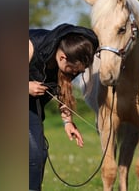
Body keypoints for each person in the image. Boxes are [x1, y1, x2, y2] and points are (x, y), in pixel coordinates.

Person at [29, 23, 98, 191]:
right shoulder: (30, 47)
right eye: (73, 70)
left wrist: (68, 122)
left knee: (36, 155)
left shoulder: (69, 63)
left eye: (79, 72)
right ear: (62, 58)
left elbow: (64, 87)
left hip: (29, 109)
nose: (74, 74)